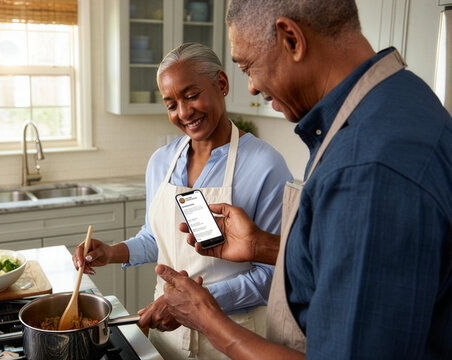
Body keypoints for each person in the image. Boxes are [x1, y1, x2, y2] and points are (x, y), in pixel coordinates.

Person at [153, 0, 452, 359]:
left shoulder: (366, 168)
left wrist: (206, 317)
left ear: (291, 39)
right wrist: (262, 245)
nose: (250, 87)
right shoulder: (401, 98)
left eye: (248, 66)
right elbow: (344, 256)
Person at [72, 42, 292, 359]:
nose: (183, 112)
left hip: (236, 337)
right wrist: (112, 252)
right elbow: (156, 238)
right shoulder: (162, 162)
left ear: (222, 84)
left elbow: (272, 274)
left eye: (191, 96)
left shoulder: (265, 165)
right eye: (171, 104)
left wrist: (192, 304)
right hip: (167, 338)